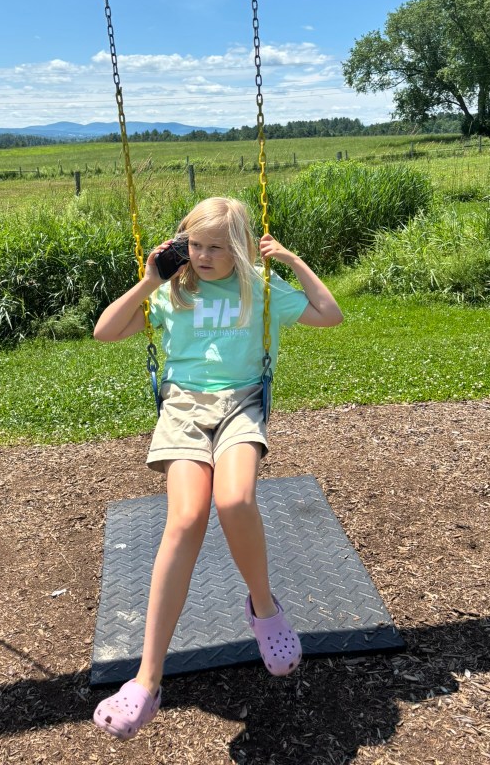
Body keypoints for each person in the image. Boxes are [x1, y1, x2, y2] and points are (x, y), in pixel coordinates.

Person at [92, 196, 343, 740]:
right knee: (185, 519)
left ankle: (264, 610)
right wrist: (150, 280)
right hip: (183, 408)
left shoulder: (259, 288)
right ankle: (147, 679)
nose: (203, 257)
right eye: (195, 245)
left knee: (234, 500)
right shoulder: (173, 291)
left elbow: (330, 314)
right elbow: (105, 331)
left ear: (240, 248)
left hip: (241, 405)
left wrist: (291, 260)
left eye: (216, 247)